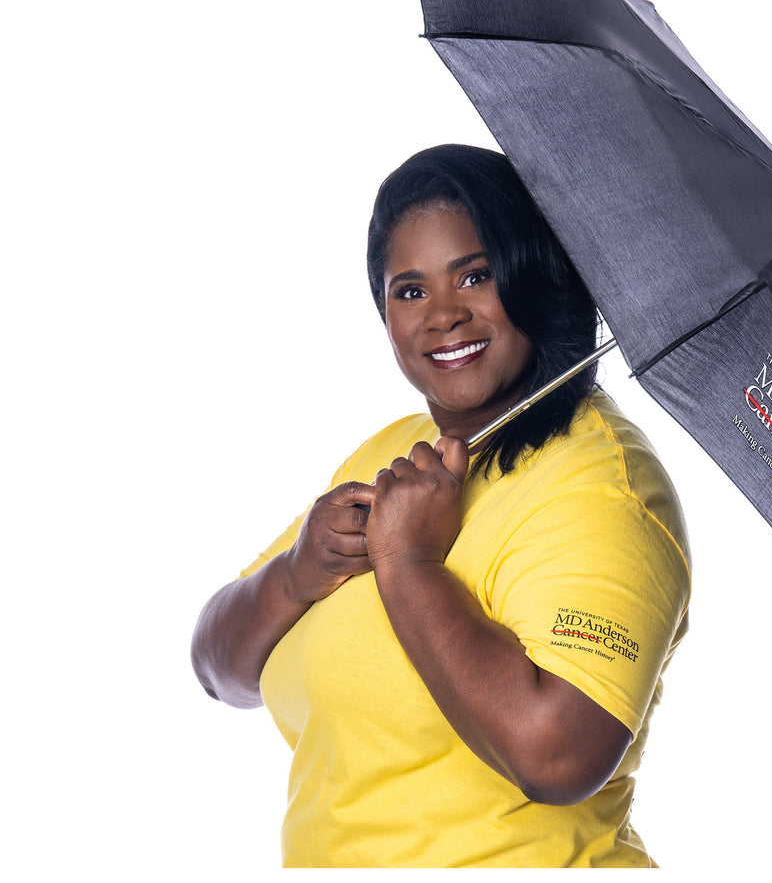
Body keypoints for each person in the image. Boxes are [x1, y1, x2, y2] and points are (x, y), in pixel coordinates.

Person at [191, 144, 691, 868]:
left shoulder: (604, 486)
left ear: (533, 273)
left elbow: (558, 756)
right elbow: (217, 671)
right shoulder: (388, 453)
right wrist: (297, 573)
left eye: (475, 276)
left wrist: (409, 563)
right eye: (411, 291)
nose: (444, 317)